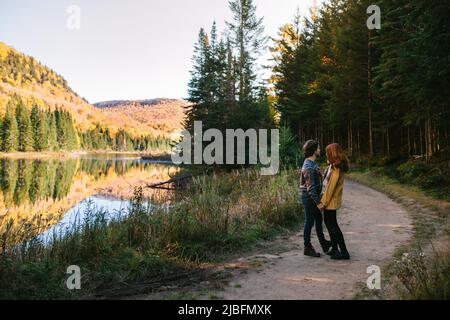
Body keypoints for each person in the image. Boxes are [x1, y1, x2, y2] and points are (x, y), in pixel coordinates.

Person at [300, 140, 332, 258]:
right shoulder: (309, 166)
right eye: (318, 148)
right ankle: (307, 247)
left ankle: (324, 244)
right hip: (309, 198)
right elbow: (311, 189)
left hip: (312, 197)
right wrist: (318, 203)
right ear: (313, 151)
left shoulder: (312, 163)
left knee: (318, 220)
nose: (319, 150)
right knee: (309, 221)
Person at [319, 143, 350, 260]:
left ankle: (344, 252)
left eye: (327, 152)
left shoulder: (337, 168)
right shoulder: (333, 166)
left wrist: (323, 203)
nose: (326, 154)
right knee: (329, 224)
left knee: (333, 226)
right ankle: (335, 249)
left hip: (330, 201)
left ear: (332, 153)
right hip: (329, 201)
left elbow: (331, 187)